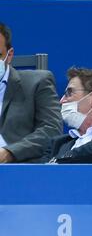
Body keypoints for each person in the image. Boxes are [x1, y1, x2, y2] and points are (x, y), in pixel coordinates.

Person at [0, 22, 62, 163]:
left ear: (9, 55)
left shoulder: (37, 82)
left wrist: (9, 153)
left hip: (19, 170)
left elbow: (51, 130)